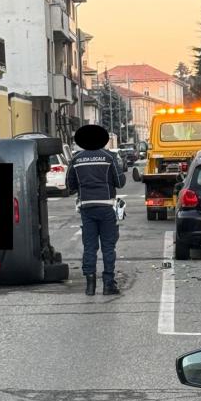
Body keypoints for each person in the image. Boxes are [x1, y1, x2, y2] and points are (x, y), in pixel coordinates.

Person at [67, 125, 126, 296]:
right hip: (106, 206)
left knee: (89, 247)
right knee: (108, 246)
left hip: (87, 207)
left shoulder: (76, 159)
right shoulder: (109, 157)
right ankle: (108, 285)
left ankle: (90, 286)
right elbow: (120, 182)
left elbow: (69, 185)